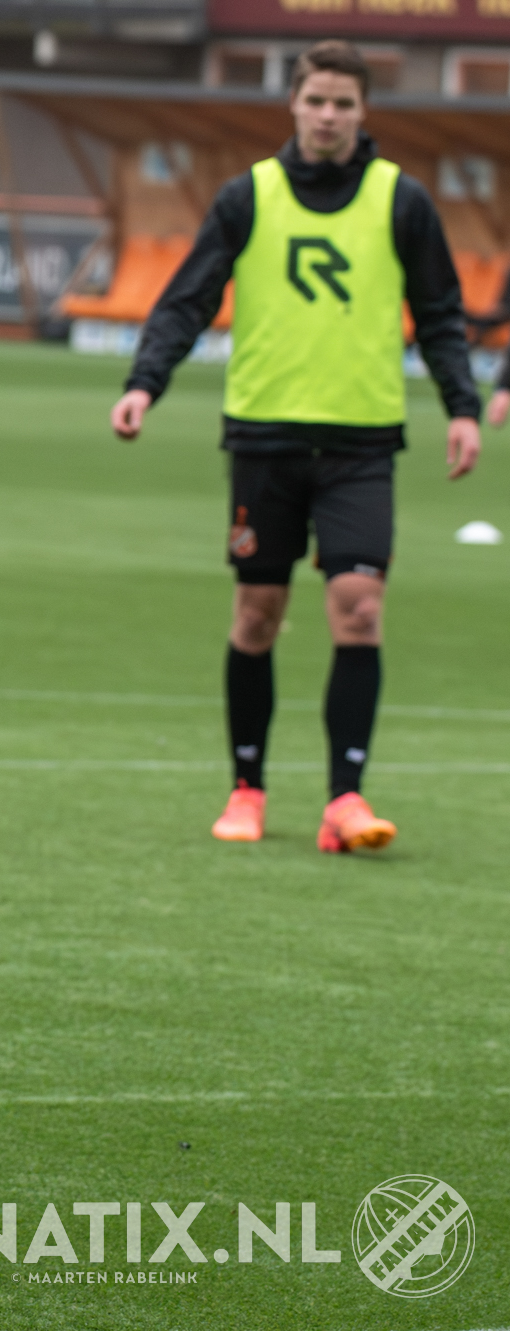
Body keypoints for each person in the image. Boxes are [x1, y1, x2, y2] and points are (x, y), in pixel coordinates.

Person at [110, 39, 480, 854]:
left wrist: (464, 407)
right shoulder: (250, 195)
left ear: (362, 112)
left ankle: (345, 798)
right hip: (265, 440)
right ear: (294, 103)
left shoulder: (401, 200)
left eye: (343, 103)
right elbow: (189, 297)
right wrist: (145, 382)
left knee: (360, 609)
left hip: (362, 443)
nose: (328, 115)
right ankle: (248, 787)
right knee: (257, 614)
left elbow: (442, 313)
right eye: (316, 100)